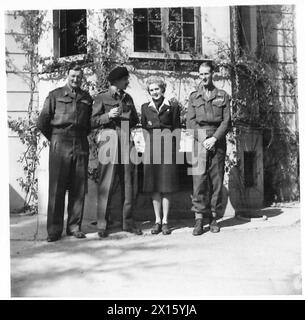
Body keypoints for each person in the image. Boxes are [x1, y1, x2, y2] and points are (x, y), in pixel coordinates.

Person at [37, 62, 93, 242]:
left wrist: (79, 137)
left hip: (80, 142)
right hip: (60, 141)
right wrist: (55, 139)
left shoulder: (86, 97)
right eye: (73, 76)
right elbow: (42, 122)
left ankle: (74, 226)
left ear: (82, 78)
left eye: (79, 77)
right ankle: (54, 230)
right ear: (67, 76)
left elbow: (89, 124)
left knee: (79, 187)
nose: (76, 79)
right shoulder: (55, 95)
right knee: (57, 188)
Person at [91, 66, 142, 238]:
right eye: (125, 79)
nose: (128, 82)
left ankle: (127, 223)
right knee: (106, 182)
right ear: (117, 81)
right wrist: (108, 116)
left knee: (129, 182)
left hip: (126, 139)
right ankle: (102, 224)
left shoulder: (128, 98)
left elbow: (134, 119)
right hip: (108, 138)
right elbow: (92, 121)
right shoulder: (102, 97)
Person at [186, 61, 231, 236]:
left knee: (216, 180)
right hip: (199, 141)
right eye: (201, 74)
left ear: (213, 74)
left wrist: (214, 138)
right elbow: (190, 122)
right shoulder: (193, 96)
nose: (204, 77)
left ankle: (213, 218)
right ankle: (198, 219)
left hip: (217, 140)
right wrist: (204, 139)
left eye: (206, 74)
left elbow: (227, 121)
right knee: (198, 181)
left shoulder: (223, 95)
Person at [141, 77, 181, 235]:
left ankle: (165, 221)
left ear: (163, 89)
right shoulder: (145, 107)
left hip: (168, 148)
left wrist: (174, 148)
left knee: (166, 185)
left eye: (157, 89)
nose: (154, 92)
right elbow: (144, 128)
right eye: (151, 90)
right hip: (151, 149)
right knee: (154, 185)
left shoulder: (173, 107)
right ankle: (157, 220)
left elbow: (177, 129)